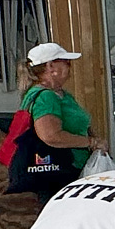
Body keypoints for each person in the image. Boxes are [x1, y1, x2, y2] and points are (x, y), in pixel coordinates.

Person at [20, 42, 105, 170]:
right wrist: (90, 142)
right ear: (51, 66)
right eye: (66, 62)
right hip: (59, 171)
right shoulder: (46, 97)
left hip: (69, 167)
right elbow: (51, 136)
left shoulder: (60, 94)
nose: (70, 67)